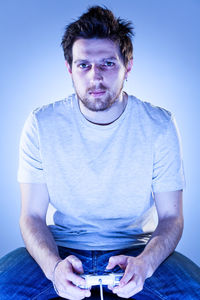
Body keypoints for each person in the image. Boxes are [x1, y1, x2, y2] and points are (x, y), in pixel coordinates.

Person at [0, 5, 200, 300]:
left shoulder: (159, 125)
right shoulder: (42, 123)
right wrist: (54, 268)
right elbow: (31, 216)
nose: (95, 77)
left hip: (137, 249)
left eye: (107, 63)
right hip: (62, 249)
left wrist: (145, 266)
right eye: (83, 65)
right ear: (69, 68)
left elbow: (172, 218)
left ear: (127, 66)